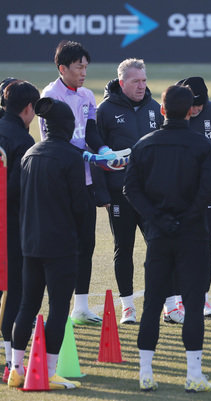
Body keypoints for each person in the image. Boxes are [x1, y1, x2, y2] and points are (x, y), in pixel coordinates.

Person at [124, 85, 211, 392]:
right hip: (192, 235)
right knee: (193, 304)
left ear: (162, 110)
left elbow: (130, 190)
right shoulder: (202, 145)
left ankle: (145, 373)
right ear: (191, 110)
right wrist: (184, 219)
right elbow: (207, 191)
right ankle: (193, 375)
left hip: (159, 234)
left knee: (152, 303)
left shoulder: (143, 145)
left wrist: (158, 218)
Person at [8, 97, 89, 390]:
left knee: (27, 304)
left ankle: (16, 369)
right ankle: (50, 370)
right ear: (68, 127)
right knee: (57, 307)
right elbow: (80, 206)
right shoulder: (71, 157)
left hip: (30, 242)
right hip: (60, 246)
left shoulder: (30, 153)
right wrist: (81, 239)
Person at [40, 40, 122, 325]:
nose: (84, 72)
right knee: (63, 245)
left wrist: (102, 151)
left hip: (85, 180)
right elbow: (56, 140)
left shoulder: (87, 95)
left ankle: (81, 307)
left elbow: (91, 132)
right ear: (62, 68)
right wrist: (88, 155)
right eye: (78, 67)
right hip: (60, 180)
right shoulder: (50, 96)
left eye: (86, 66)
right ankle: (58, 308)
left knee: (86, 243)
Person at [96, 58, 163, 325]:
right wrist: (101, 193)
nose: (141, 86)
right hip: (119, 194)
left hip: (151, 195)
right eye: (136, 81)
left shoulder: (156, 108)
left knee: (158, 247)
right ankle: (127, 306)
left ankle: (166, 304)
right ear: (122, 83)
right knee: (122, 248)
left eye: (144, 80)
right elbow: (97, 151)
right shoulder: (105, 111)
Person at [176, 76, 211, 318]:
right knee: (179, 248)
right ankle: (177, 299)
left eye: (200, 105)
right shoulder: (171, 111)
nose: (196, 110)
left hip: (207, 194)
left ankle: (203, 298)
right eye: (193, 105)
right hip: (177, 196)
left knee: (207, 247)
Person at [0, 80, 39, 383]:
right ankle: (9, 358)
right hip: (9, 226)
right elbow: (16, 191)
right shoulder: (24, 143)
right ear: (28, 109)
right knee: (14, 289)